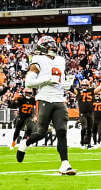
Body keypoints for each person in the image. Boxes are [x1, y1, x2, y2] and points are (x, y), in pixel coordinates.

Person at [15, 35, 76, 175]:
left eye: (54, 44)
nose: (53, 47)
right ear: (42, 47)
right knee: (41, 133)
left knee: (62, 131)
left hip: (59, 100)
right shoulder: (38, 60)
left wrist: (66, 84)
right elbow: (29, 83)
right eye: (50, 44)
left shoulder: (60, 60)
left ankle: (65, 164)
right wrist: (45, 80)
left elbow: (61, 79)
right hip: (44, 99)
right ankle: (25, 143)